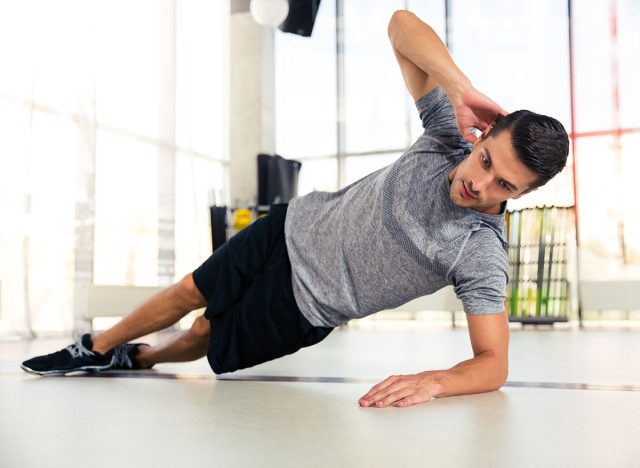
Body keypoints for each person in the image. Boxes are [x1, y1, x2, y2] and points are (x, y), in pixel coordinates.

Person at [21, 10, 568, 409]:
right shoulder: (449, 132)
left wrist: (437, 380)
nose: (482, 182)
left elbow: (493, 363)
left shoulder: (480, 253)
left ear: (521, 195)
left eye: (504, 185)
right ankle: (94, 348)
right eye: (487, 159)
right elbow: (401, 24)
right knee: (191, 288)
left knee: (201, 335)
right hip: (291, 226)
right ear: (483, 133)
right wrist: (458, 85)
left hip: (304, 306)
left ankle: (139, 358)